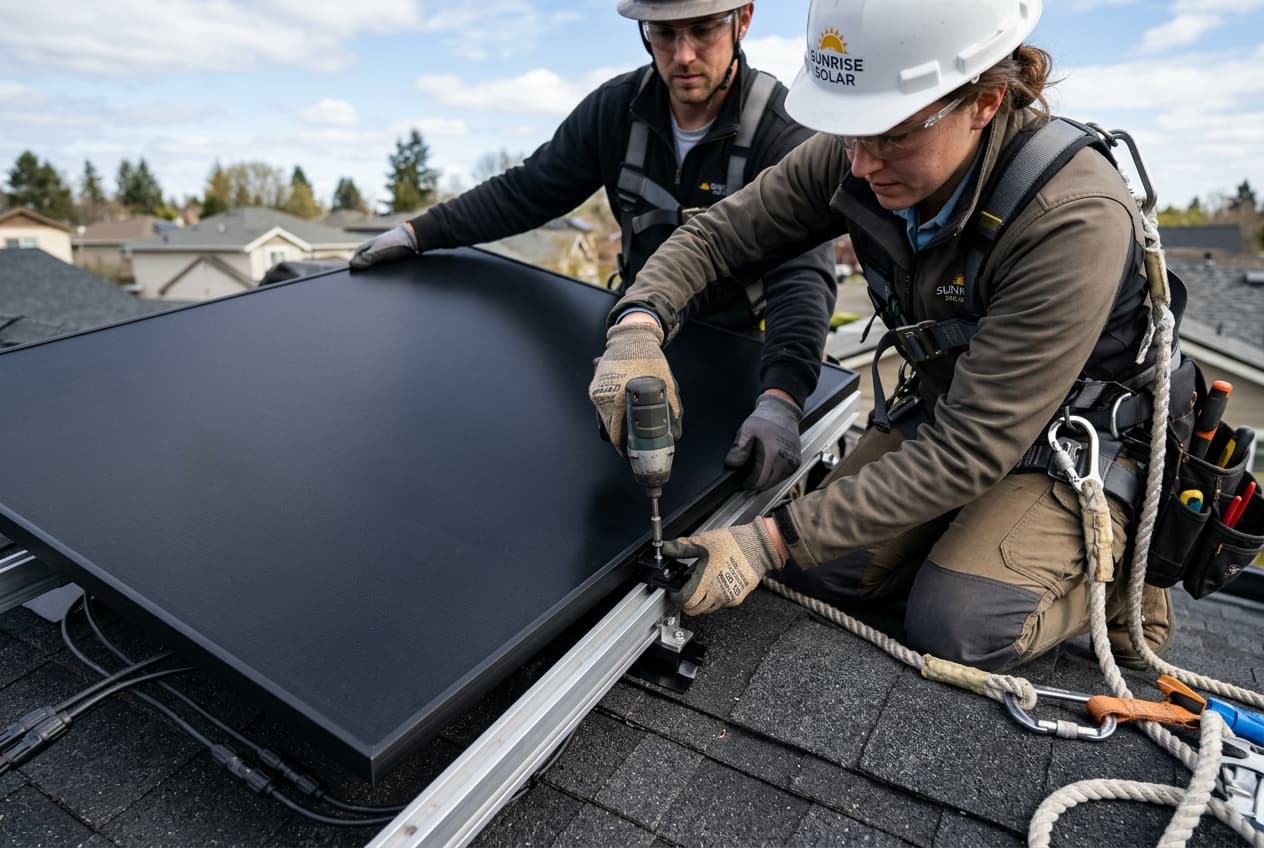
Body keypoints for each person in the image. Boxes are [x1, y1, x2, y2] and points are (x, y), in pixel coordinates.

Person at [588, 0, 1177, 671]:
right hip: (953, 402)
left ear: (984, 100)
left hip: (1073, 438)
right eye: (849, 133)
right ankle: (972, 533)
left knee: (957, 620)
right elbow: (718, 236)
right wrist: (637, 327)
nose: (862, 165)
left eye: (891, 135)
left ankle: (1115, 573)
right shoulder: (863, 150)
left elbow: (969, 448)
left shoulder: (1071, 218)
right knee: (825, 571)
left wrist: (766, 542)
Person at [351, 0, 837, 493]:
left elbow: (801, 274)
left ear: (743, 20)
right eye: (664, 34)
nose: (683, 55)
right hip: (635, 333)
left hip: (738, 350)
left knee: (707, 495)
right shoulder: (618, 111)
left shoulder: (781, 130)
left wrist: (782, 396)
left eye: (703, 30)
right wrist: (418, 232)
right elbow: (527, 190)